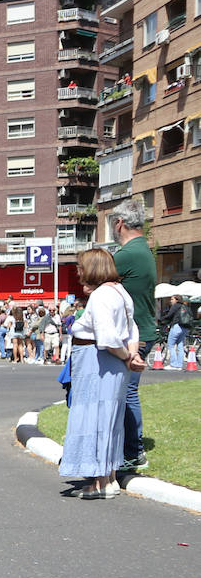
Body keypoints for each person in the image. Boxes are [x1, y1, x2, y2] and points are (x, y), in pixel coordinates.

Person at [59, 249, 144, 498]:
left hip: (97, 362)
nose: (78, 272)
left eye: (81, 267)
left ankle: (99, 483)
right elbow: (132, 329)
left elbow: (106, 337)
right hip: (113, 364)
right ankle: (109, 477)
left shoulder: (100, 296)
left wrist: (127, 356)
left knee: (94, 418)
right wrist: (131, 355)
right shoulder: (120, 292)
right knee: (110, 420)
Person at [109, 200, 157, 472]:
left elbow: (95, 278)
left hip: (133, 335)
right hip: (140, 331)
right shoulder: (142, 249)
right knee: (127, 392)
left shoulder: (127, 254)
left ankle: (134, 452)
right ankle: (129, 449)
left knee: (126, 393)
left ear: (119, 224)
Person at [161, 294, 194, 369]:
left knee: (171, 345)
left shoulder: (175, 306)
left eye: (172, 299)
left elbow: (169, 315)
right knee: (180, 345)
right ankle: (179, 365)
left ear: (177, 300)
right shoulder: (185, 306)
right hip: (184, 327)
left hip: (177, 326)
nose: (171, 301)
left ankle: (173, 364)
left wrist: (161, 319)